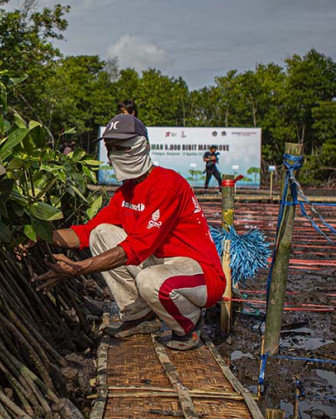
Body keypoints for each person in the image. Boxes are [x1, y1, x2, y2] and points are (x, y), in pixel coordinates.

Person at [29, 113, 225, 350]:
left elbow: (137, 247)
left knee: (151, 281)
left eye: (121, 146)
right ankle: (139, 315)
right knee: (100, 233)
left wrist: (79, 268)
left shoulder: (167, 185)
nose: (114, 155)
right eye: (111, 148)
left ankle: (189, 326)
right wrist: (37, 234)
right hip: (162, 263)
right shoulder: (126, 193)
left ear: (144, 146)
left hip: (199, 273)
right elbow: (86, 233)